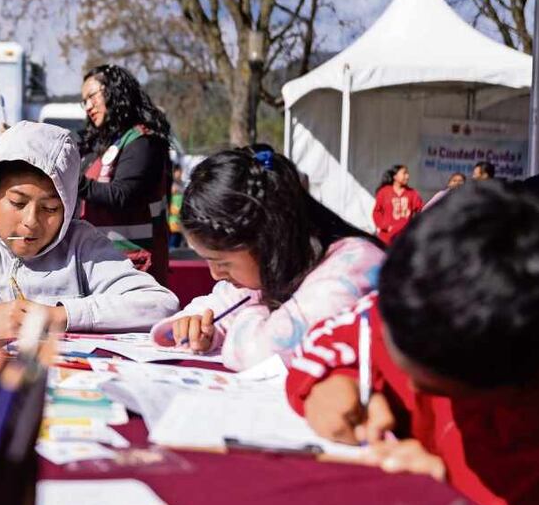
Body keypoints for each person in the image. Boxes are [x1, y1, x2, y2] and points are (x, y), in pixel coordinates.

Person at [286, 181, 539, 505]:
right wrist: (327, 382)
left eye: (428, 385)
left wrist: (448, 490)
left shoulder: (532, 434)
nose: (407, 384)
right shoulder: (418, 300)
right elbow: (347, 331)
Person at [0, 121, 178, 337]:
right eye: (17, 202)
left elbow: (159, 304)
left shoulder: (82, 244)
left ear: (69, 206)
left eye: (50, 208)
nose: (30, 221)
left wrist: (59, 316)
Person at [150, 147, 383, 371]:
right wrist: (195, 324)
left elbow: (263, 354)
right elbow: (223, 301)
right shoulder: (279, 266)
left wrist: (245, 316)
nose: (215, 274)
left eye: (222, 263)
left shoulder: (350, 271)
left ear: (268, 239)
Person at [78, 64, 172, 285]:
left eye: (92, 96)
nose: (88, 107)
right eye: (84, 101)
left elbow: (122, 195)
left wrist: (72, 180)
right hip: (105, 262)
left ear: (114, 92)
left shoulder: (143, 141)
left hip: (135, 266)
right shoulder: (102, 145)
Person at [372, 164, 423, 244]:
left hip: (404, 239)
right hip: (386, 238)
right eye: (404, 173)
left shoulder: (412, 193)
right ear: (395, 176)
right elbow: (376, 212)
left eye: (408, 174)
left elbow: (422, 210)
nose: (407, 176)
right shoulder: (384, 192)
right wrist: (385, 226)